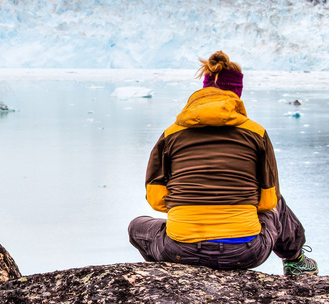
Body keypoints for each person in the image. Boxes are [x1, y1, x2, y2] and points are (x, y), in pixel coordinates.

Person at [127, 51, 318, 276]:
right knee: (278, 203)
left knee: (137, 226)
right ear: (237, 94)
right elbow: (267, 201)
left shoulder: (171, 134)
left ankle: (170, 277)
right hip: (246, 252)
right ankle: (296, 262)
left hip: (177, 249)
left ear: (204, 89)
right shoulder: (256, 133)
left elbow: (157, 200)